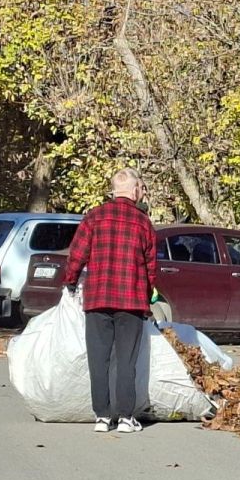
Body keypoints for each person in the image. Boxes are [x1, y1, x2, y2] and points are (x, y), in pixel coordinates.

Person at [62, 168, 157, 434]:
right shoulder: (143, 223)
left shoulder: (94, 217)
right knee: (127, 360)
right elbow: (151, 267)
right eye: (142, 189)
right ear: (136, 190)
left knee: (98, 359)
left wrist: (70, 281)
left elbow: (77, 255)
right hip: (131, 300)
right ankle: (126, 418)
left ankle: (102, 417)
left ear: (113, 190)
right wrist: (148, 295)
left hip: (98, 299)